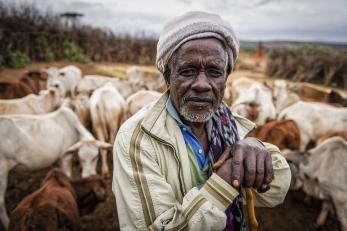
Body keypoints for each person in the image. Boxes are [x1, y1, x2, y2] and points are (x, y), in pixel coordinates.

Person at [112, 11, 291, 231]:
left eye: (214, 72)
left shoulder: (231, 126)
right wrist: (225, 179)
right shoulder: (138, 139)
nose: (202, 84)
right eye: (188, 71)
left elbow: (276, 192)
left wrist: (256, 146)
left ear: (226, 78)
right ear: (168, 77)